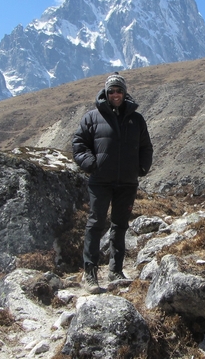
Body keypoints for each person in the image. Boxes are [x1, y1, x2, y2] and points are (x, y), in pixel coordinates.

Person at [72, 72, 153, 293]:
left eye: (119, 90)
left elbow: (146, 146)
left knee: (120, 226)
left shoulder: (136, 119)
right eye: (111, 91)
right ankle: (90, 274)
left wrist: (142, 168)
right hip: (100, 181)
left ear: (124, 92)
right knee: (95, 224)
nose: (115, 94)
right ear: (105, 93)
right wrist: (91, 164)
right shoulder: (92, 117)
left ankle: (115, 271)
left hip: (127, 182)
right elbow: (79, 144)